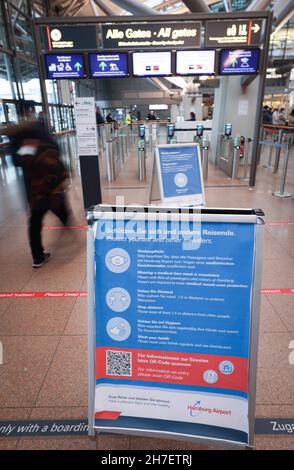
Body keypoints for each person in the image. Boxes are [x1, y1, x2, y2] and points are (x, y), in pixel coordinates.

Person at [4, 101, 70, 268]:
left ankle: (38, 256)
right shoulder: (38, 128)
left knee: (35, 219)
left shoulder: (16, 134)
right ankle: (69, 232)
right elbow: (55, 148)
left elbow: (15, 160)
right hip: (50, 181)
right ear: (30, 111)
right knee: (58, 208)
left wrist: (29, 153)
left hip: (33, 186)